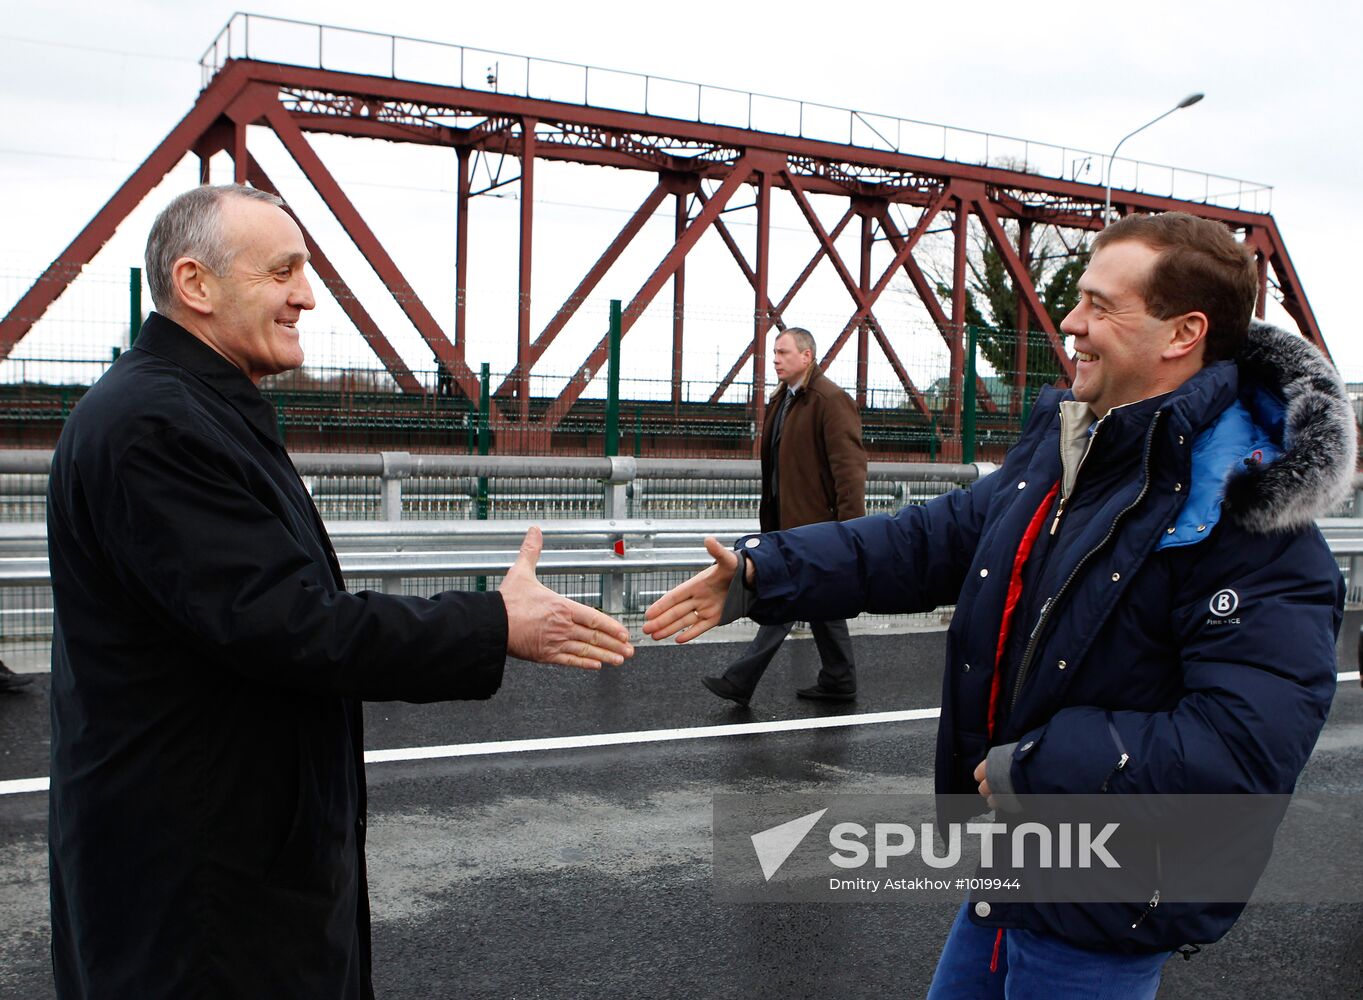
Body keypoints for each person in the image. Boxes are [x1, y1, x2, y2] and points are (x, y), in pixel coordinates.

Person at [645, 212, 1353, 997]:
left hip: (1101, 901)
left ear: (1182, 332)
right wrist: (761, 572)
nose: (1071, 323)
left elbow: (1241, 752)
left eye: (1099, 305)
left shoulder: (1253, 527)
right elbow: (926, 543)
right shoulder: (1072, 455)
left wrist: (1038, 767)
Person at [46, 184, 634, 999]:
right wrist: (491, 623)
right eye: (282, 271)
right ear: (195, 284)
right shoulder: (157, 424)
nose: (307, 296)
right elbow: (285, 623)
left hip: (212, 851)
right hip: (199, 886)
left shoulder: (188, 407)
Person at [700, 327, 866, 708]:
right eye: (774, 352)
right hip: (788, 524)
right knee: (822, 601)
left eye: (783, 352)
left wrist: (853, 531)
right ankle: (839, 679)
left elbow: (850, 470)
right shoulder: (783, 401)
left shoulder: (830, 400)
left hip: (818, 528)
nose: (774, 359)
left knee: (786, 597)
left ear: (806, 357)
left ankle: (740, 680)